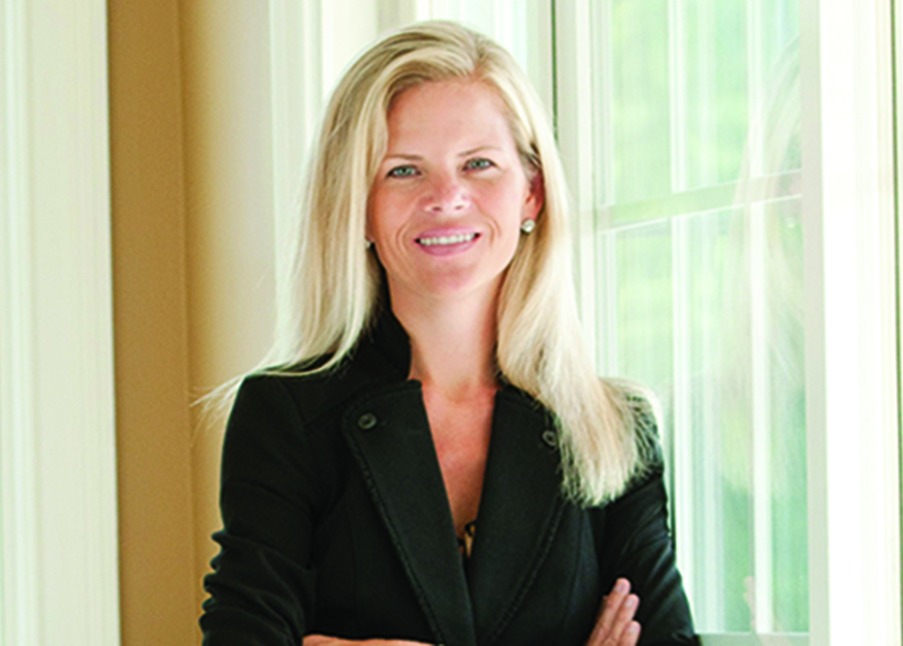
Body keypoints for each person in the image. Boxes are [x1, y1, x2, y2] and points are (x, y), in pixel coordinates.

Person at [199, 21, 698, 646]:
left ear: (532, 192)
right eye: (404, 171)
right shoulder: (285, 416)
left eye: (479, 163)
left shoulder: (615, 428)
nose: (447, 197)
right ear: (357, 205)